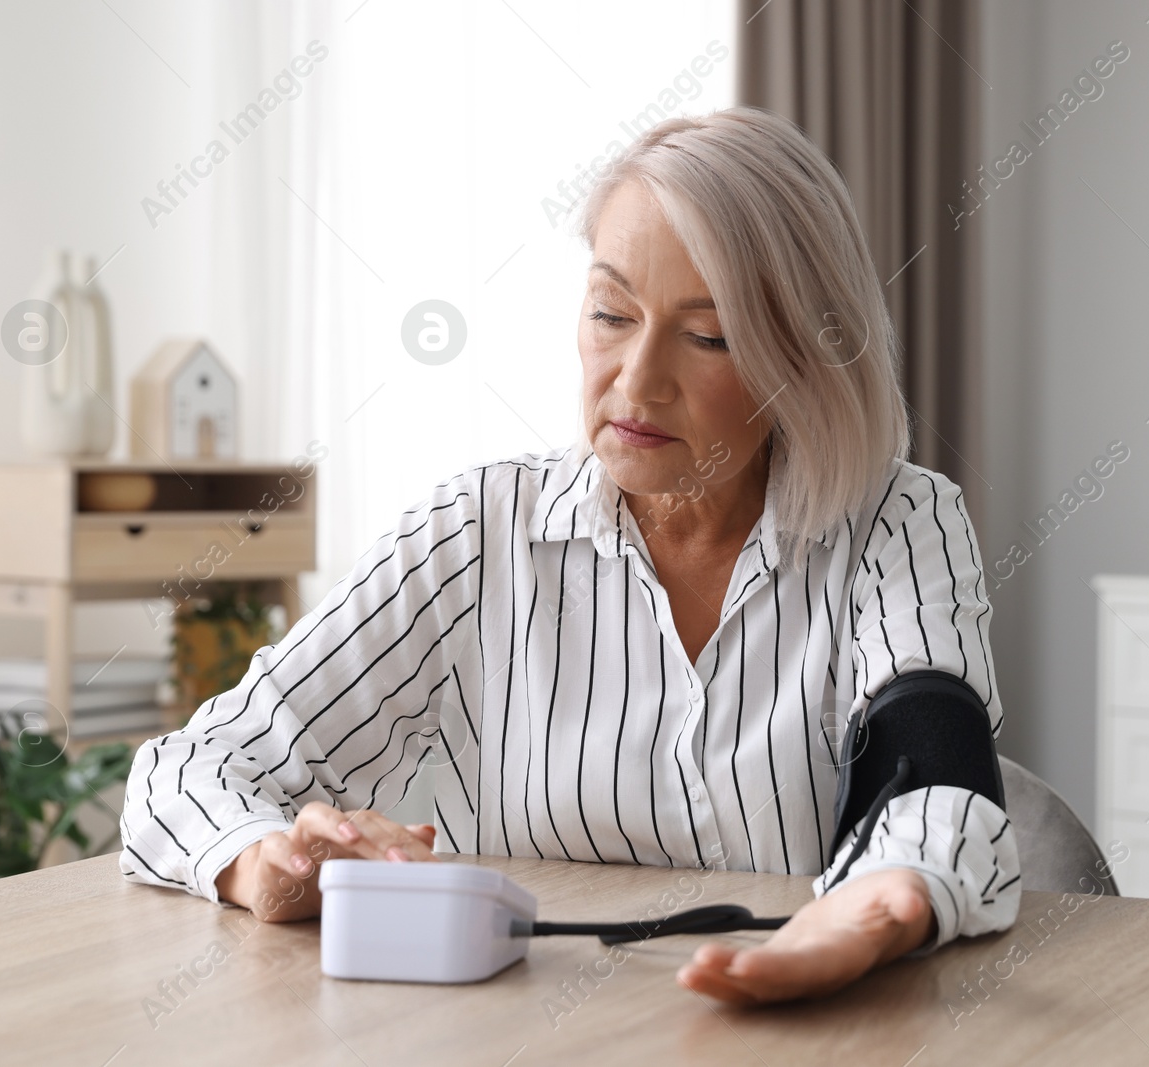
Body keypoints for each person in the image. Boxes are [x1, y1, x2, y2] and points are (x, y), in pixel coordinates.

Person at [118, 106, 1019, 1005]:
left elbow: (935, 779)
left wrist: (877, 909)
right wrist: (260, 861)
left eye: (707, 336)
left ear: (804, 357)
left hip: (796, 1028)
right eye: (611, 312)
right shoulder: (478, 532)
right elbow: (188, 768)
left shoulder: (898, 520)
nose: (635, 380)